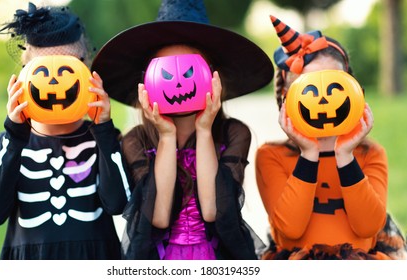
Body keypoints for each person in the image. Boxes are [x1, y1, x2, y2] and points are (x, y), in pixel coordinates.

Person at [91, 0, 274, 260]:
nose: (178, 82)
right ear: (148, 81)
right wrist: (166, 136)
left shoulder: (234, 133)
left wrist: (204, 131)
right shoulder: (136, 141)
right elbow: (159, 216)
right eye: (165, 73)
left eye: (189, 71)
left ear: (212, 77)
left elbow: (213, 211)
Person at [0, 2, 130, 259]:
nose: (54, 83)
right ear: (24, 78)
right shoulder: (11, 142)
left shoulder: (102, 138)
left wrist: (103, 129)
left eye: (66, 71)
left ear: (87, 73)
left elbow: (119, 204)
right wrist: (15, 135)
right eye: (41, 72)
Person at [254, 15, 407, 260]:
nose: (321, 101)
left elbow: (369, 226)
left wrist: (346, 156)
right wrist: (308, 154)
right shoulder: (271, 156)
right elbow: (291, 229)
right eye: (308, 90)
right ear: (286, 97)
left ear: (353, 90)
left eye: (334, 87)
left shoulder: (370, 154)